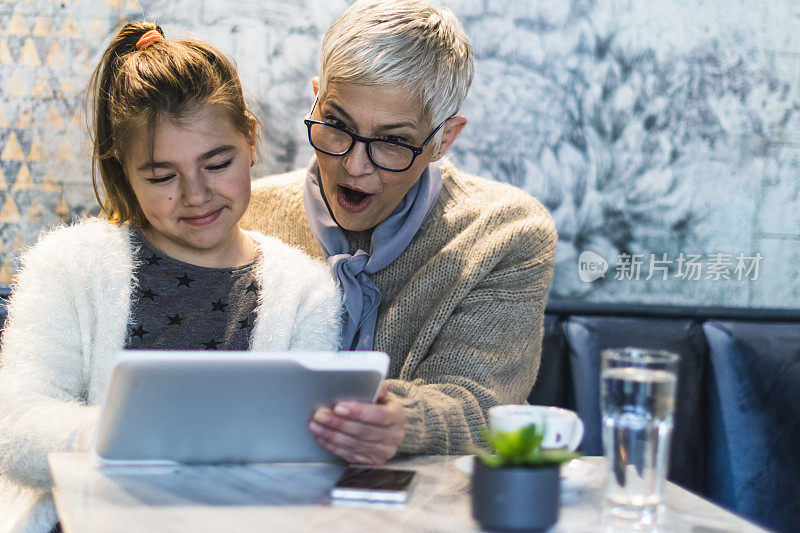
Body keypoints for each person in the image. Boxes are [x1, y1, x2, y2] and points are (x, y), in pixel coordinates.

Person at [0, 22, 341, 533]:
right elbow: (15, 429)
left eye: (217, 162)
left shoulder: (305, 293)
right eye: (161, 176)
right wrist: (152, 435)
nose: (196, 194)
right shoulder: (67, 266)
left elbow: (300, 456)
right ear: (124, 170)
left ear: (251, 139)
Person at [241, 0, 557, 466]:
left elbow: (484, 403)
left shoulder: (506, 232)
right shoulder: (246, 215)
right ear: (316, 100)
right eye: (338, 125)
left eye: (392, 141)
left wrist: (406, 422)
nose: (354, 165)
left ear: (443, 139)